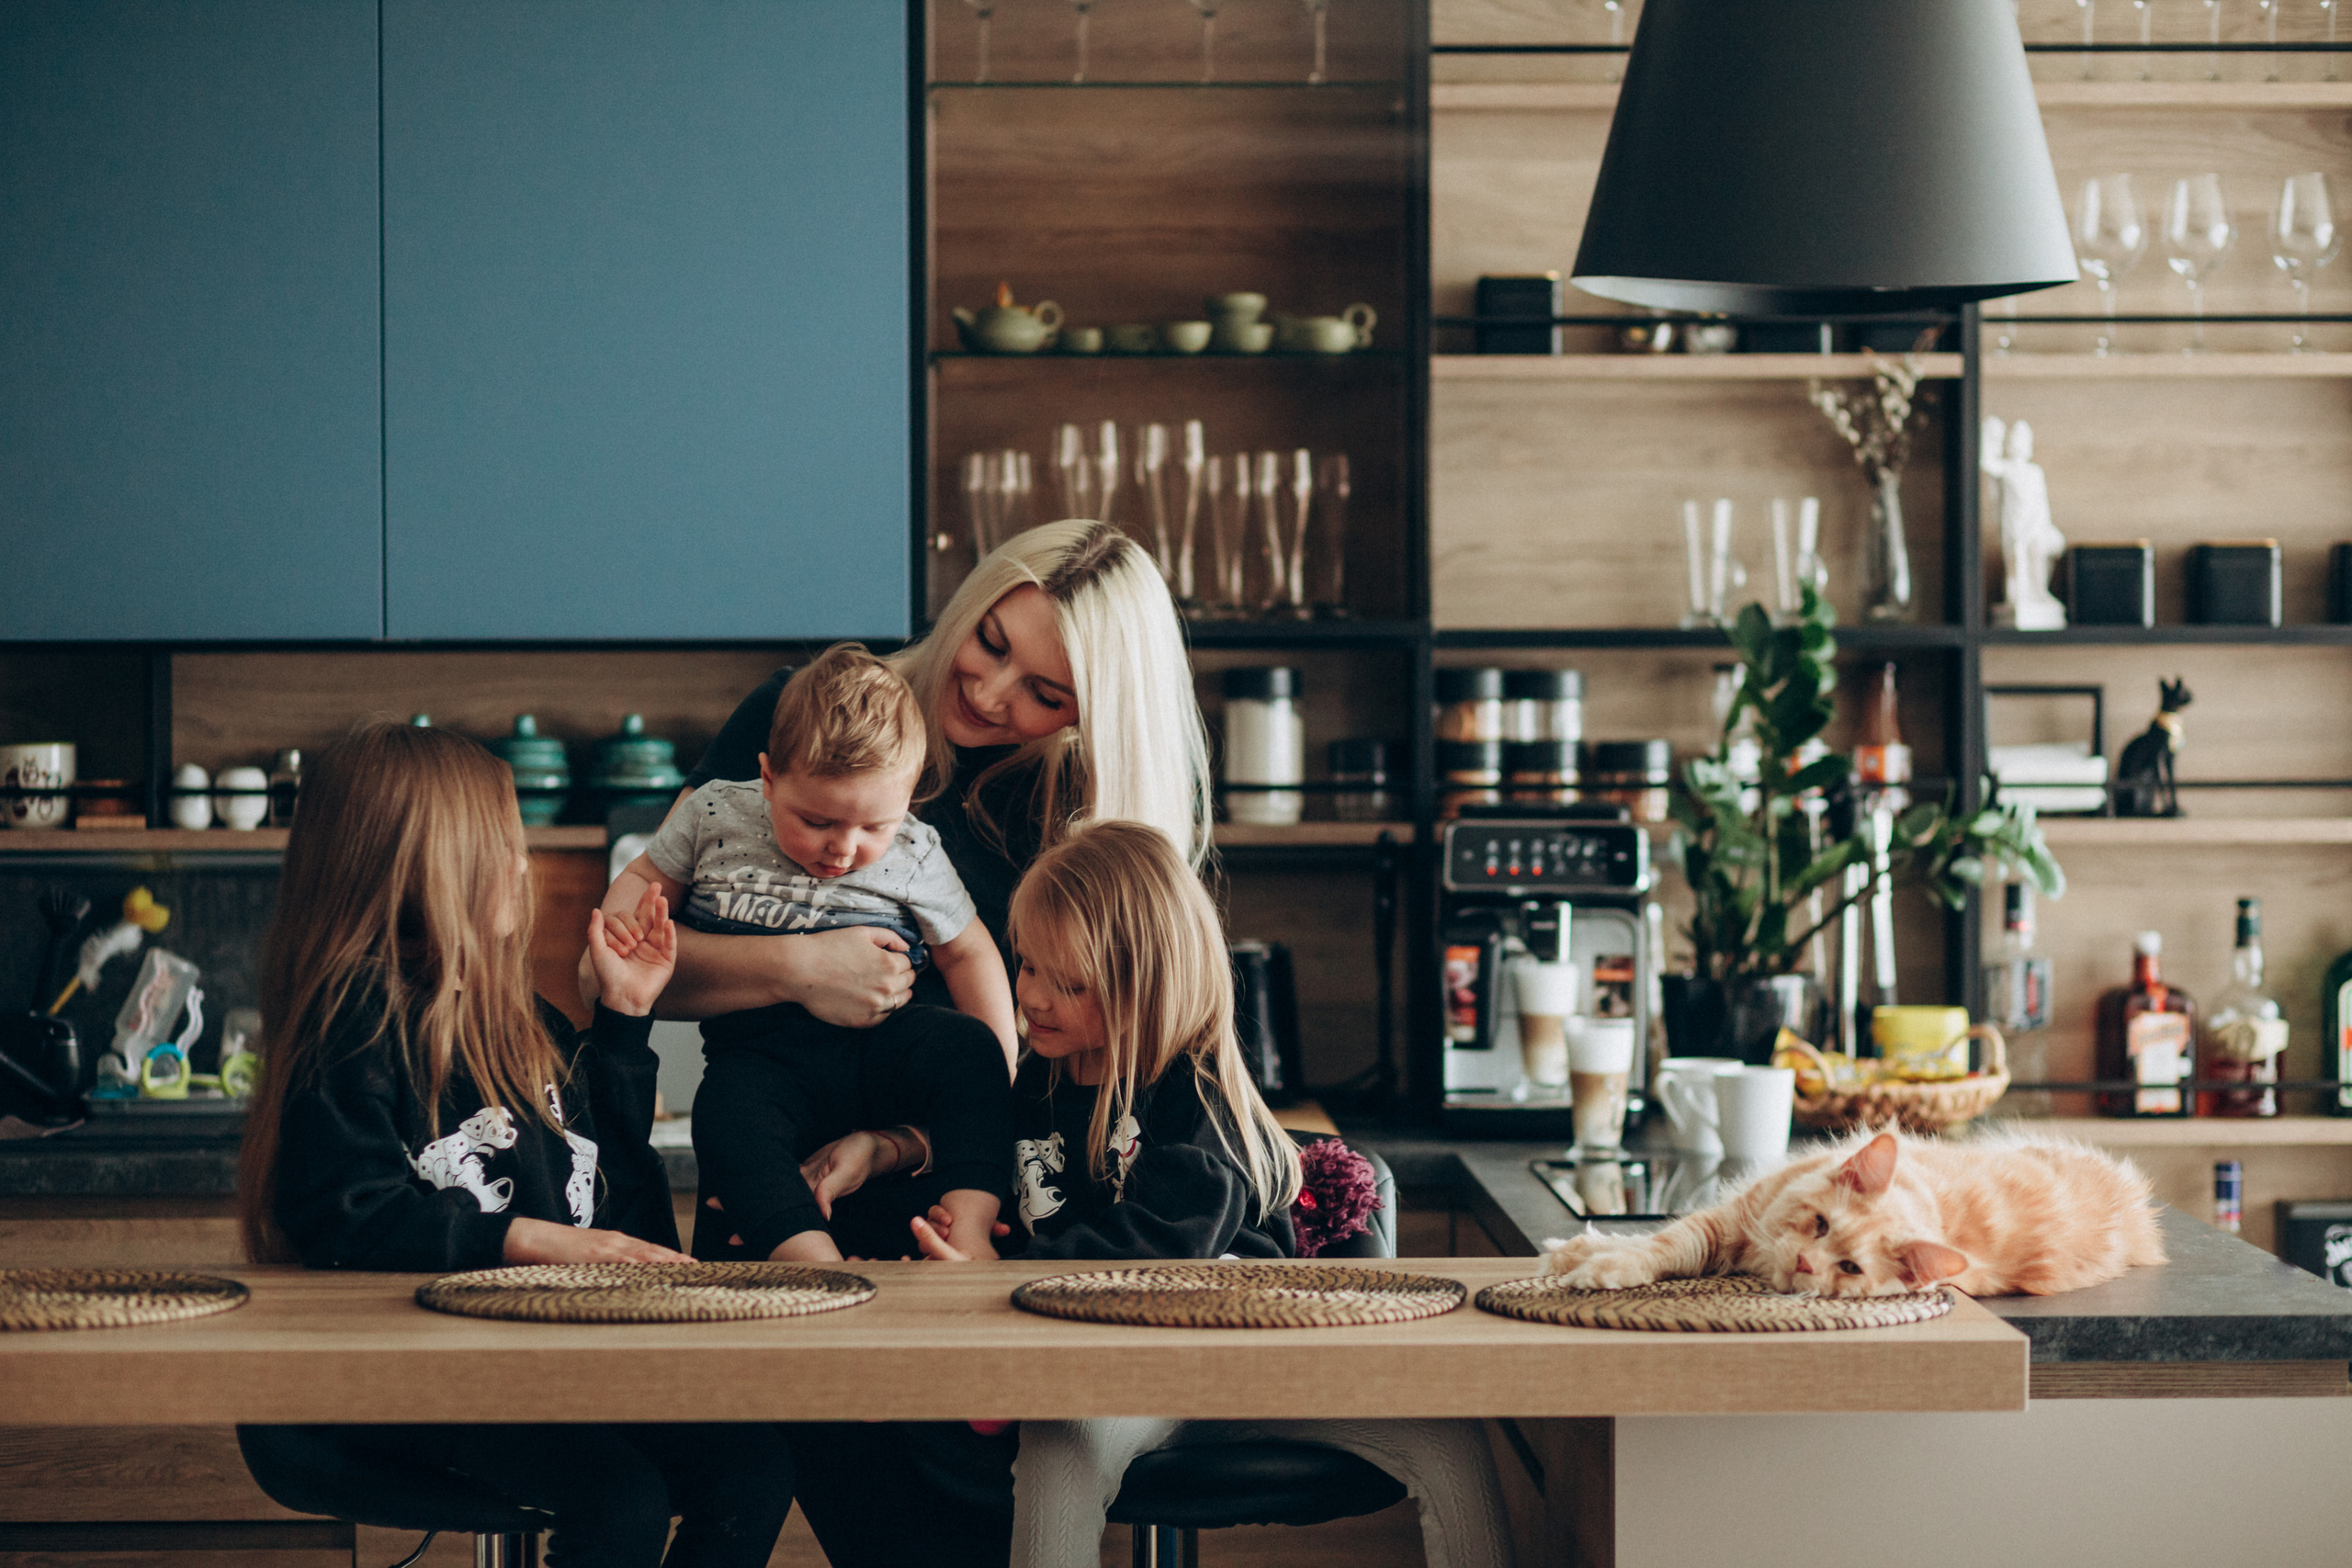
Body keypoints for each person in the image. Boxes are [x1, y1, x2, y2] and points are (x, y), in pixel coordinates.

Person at [793, 823, 1516, 1568]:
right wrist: (896, 1149)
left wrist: (999, 1281)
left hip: (1257, 1363)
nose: (1031, 995)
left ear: (1148, 985)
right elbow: (981, 1142)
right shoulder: (1042, 1076)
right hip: (1120, 1375)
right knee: (1060, 1449)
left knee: (1449, 1441)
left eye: (1069, 983)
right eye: (1028, 963)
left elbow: (1167, 1244)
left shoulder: (1196, 1093)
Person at [236, 721, 796, 1568]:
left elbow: (616, 1208)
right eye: (503, 843)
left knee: (753, 1466)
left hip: (538, 1369)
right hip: (403, 1378)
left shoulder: (525, 1025)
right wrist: (529, 1239)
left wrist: (623, 1022)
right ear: (419, 868)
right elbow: (346, 1217)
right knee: (620, 1499)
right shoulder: (355, 1023)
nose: (523, 865)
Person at [647, 520, 1210, 1038]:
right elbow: (622, 968)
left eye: (1043, 695)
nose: (987, 695)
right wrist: (799, 967)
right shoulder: (801, 719)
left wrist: (935, 1125)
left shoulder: (1081, 805)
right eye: (990, 643)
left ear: (1087, 714)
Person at [601, 644, 1016, 1264]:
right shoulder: (715, 812)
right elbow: (643, 874)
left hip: (884, 1044)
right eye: (818, 821)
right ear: (768, 779)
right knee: (724, 1116)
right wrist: (624, 923)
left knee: (970, 1048)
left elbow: (968, 952)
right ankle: (810, 1256)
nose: (844, 848)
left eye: (874, 827)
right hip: (762, 1054)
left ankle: (970, 1231)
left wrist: (994, 1081)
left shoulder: (917, 849)